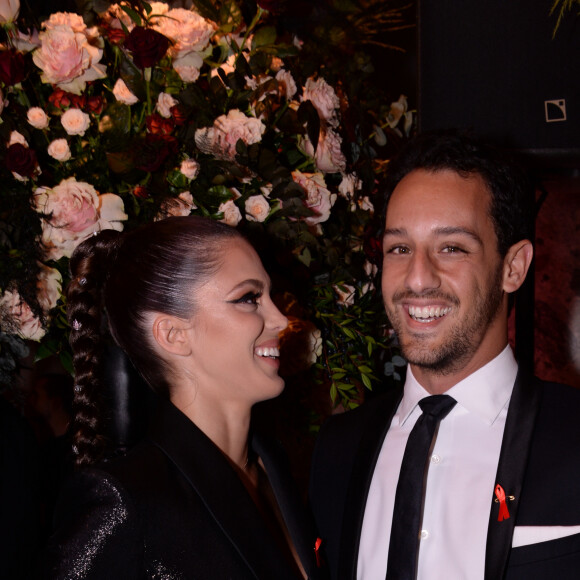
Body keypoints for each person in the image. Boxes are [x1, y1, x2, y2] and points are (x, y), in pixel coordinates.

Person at [309, 131, 580, 579]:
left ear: (513, 267)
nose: (417, 279)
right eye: (399, 248)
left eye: (451, 248)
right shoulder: (337, 449)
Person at [41, 216, 323, 579]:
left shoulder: (274, 464)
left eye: (270, 295)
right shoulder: (126, 499)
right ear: (173, 334)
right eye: (249, 298)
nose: (281, 320)